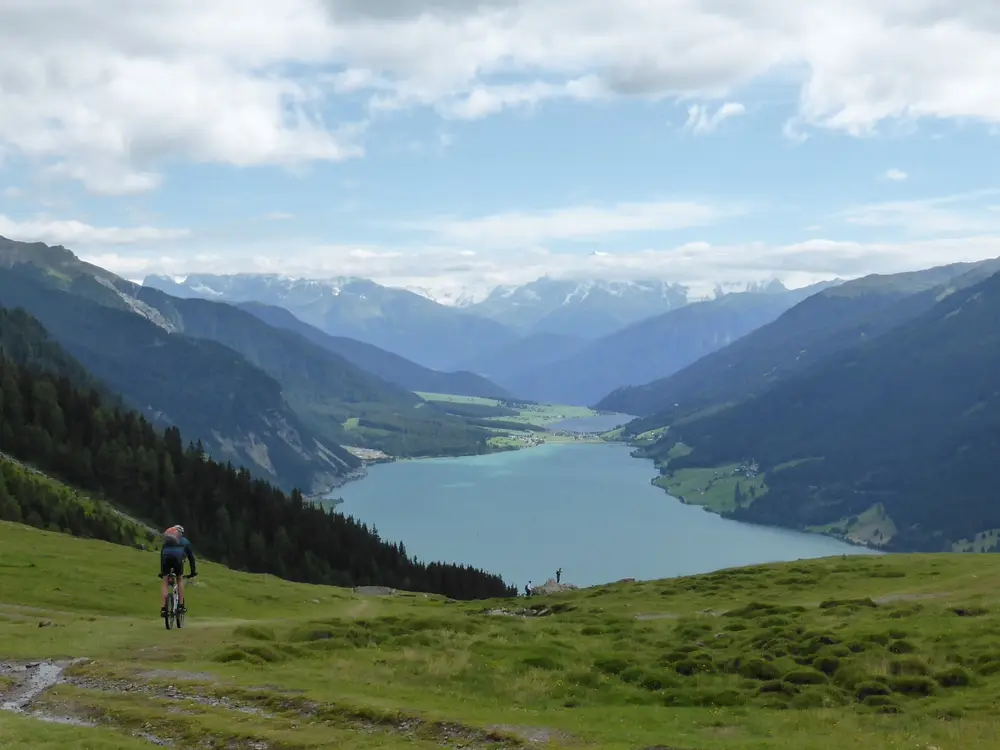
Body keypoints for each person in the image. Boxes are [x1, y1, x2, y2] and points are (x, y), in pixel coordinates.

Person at [159, 524, 197, 616]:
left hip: (166, 558)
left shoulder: (167, 542)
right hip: (177, 559)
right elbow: (191, 558)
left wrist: (162, 572)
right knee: (179, 579)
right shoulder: (185, 541)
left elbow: (162, 554)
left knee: (165, 582)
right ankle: (180, 606)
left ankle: (164, 609)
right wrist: (193, 572)